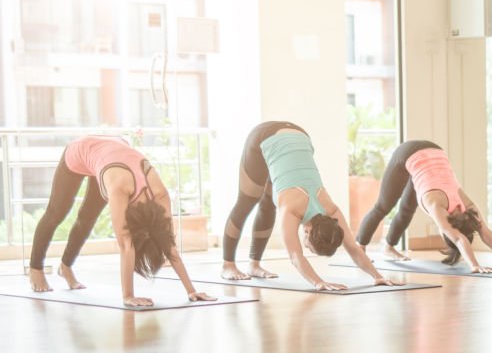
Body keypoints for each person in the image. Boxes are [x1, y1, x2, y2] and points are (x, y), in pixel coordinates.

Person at [28, 135, 215, 306]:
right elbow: (126, 245)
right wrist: (128, 296)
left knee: (87, 218)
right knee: (56, 213)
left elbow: (169, 244)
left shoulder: (160, 194)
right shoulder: (118, 190)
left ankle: (65, 267)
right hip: (82, 150)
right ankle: (35, 269)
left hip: (114, 150)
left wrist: (191, 291)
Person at [221, 121, 399, 290]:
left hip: (300, 135)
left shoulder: (331, 210)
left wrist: (377, 276)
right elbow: (295, 256)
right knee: (247, 201)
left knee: (268, 204)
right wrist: (318, 282)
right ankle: (228, 265)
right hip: (263, 136)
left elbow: (352, 247)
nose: (304, 246)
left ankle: (254, 265)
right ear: (307, 232)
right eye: (308, 245)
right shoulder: (291, 210)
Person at [356, 140, 492, 273]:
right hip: (407, 154)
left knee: (407, 209)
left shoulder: (466, 205)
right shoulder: (436, 205)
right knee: (383, 206)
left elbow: (483, 232)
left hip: (435, 151)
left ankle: (389, 246)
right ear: (445, 232)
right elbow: (459, 239)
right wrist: (475, 265)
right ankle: (360, 249)